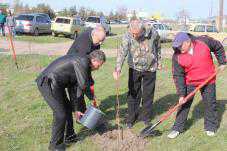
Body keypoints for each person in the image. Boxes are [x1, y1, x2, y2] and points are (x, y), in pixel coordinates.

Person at [36, 50, 106, 151]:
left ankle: (70, 136)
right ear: (94, 60)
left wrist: (76, 109)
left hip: (57, 85)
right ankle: (55, 145)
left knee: (68, 109)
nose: (99, 68)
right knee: (60, 114)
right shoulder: (83, 62)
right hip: (47, 82)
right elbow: (83, 85)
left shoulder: (83, 65)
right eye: (99, 65)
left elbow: (75, 88)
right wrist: (92, 98)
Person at [168, 32, 226, 139]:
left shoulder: (204, 42)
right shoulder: (177, 55)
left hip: (208, 79)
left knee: (210, 103)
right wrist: (181, 94)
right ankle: (177, 128)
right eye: (176, 46)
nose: (179, 49)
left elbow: (218, 47)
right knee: (184, 104)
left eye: (180, 46)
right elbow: (178, 75)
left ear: (188, 42)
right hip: (190, 81)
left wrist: (222, 62)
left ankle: (210, 127)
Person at [113, 17, 161, 128]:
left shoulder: (152, 33)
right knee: (134, 93)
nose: (134, 36)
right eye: (132, 33)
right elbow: (122, 52)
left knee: (148, 94)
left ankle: (146, 117)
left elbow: (158, 47)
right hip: (134, 68)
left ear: (142, 30)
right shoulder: (127, 35)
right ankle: (131, 118)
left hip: (150, 67)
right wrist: (118, 68)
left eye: (136, 34)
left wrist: (159, 61)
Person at [64, 25, 106, 143]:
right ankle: (82, 120)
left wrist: (90, 84)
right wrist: (89, 90)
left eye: (102, 40)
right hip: (71, 71)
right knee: (77, 94)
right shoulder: (84, 44)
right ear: (94, 34)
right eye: (100, 40)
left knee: (81, 92)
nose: (101, 43)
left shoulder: (95, 40)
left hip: (81, 69)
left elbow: (90, 65)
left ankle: (83, 117)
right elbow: (83, 69)